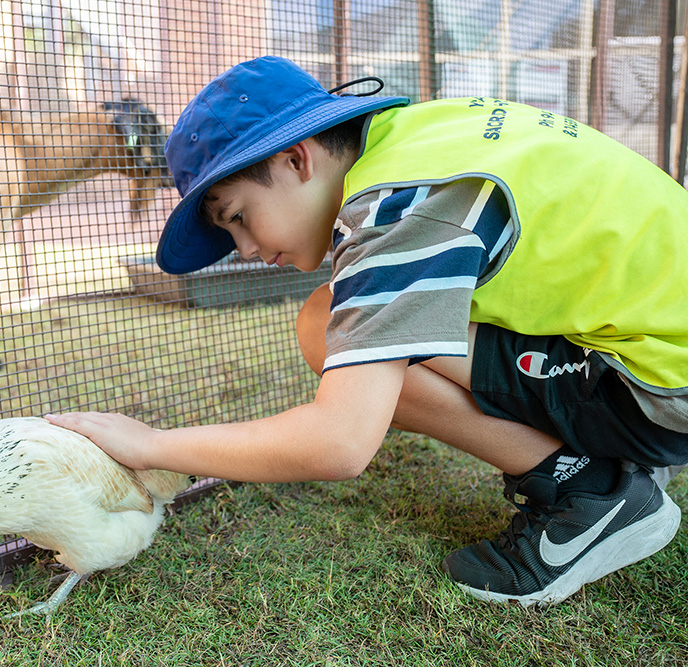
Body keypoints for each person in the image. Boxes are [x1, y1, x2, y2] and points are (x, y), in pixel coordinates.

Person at [47, 56, 688, 606]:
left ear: (297, 159)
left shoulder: (392, 208)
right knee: (339, 314)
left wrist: (150, 444)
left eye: (238, 217)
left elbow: (339, 443)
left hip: (666, 393)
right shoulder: (421, 133)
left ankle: (593, 491)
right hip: (654, 346)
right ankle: (613, 456)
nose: (242, 248)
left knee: (326, 327)